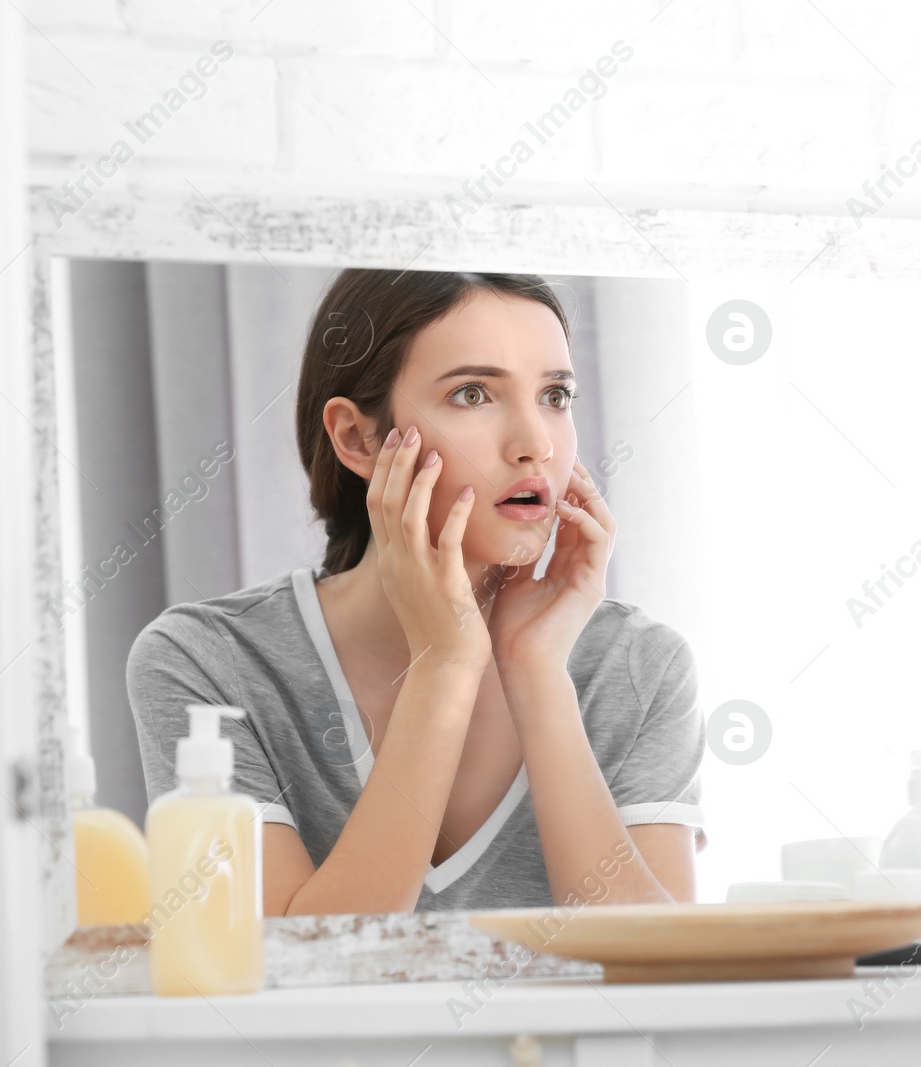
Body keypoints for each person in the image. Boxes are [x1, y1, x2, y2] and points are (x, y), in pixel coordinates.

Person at [127, 269, 705, 916]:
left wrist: (536, 673)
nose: (536, 444)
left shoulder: (642, 667)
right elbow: (292, 977)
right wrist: (444, 666)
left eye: (555, 394)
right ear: (358, 437)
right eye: (473, 393)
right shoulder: (208, 661)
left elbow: (659, 977)